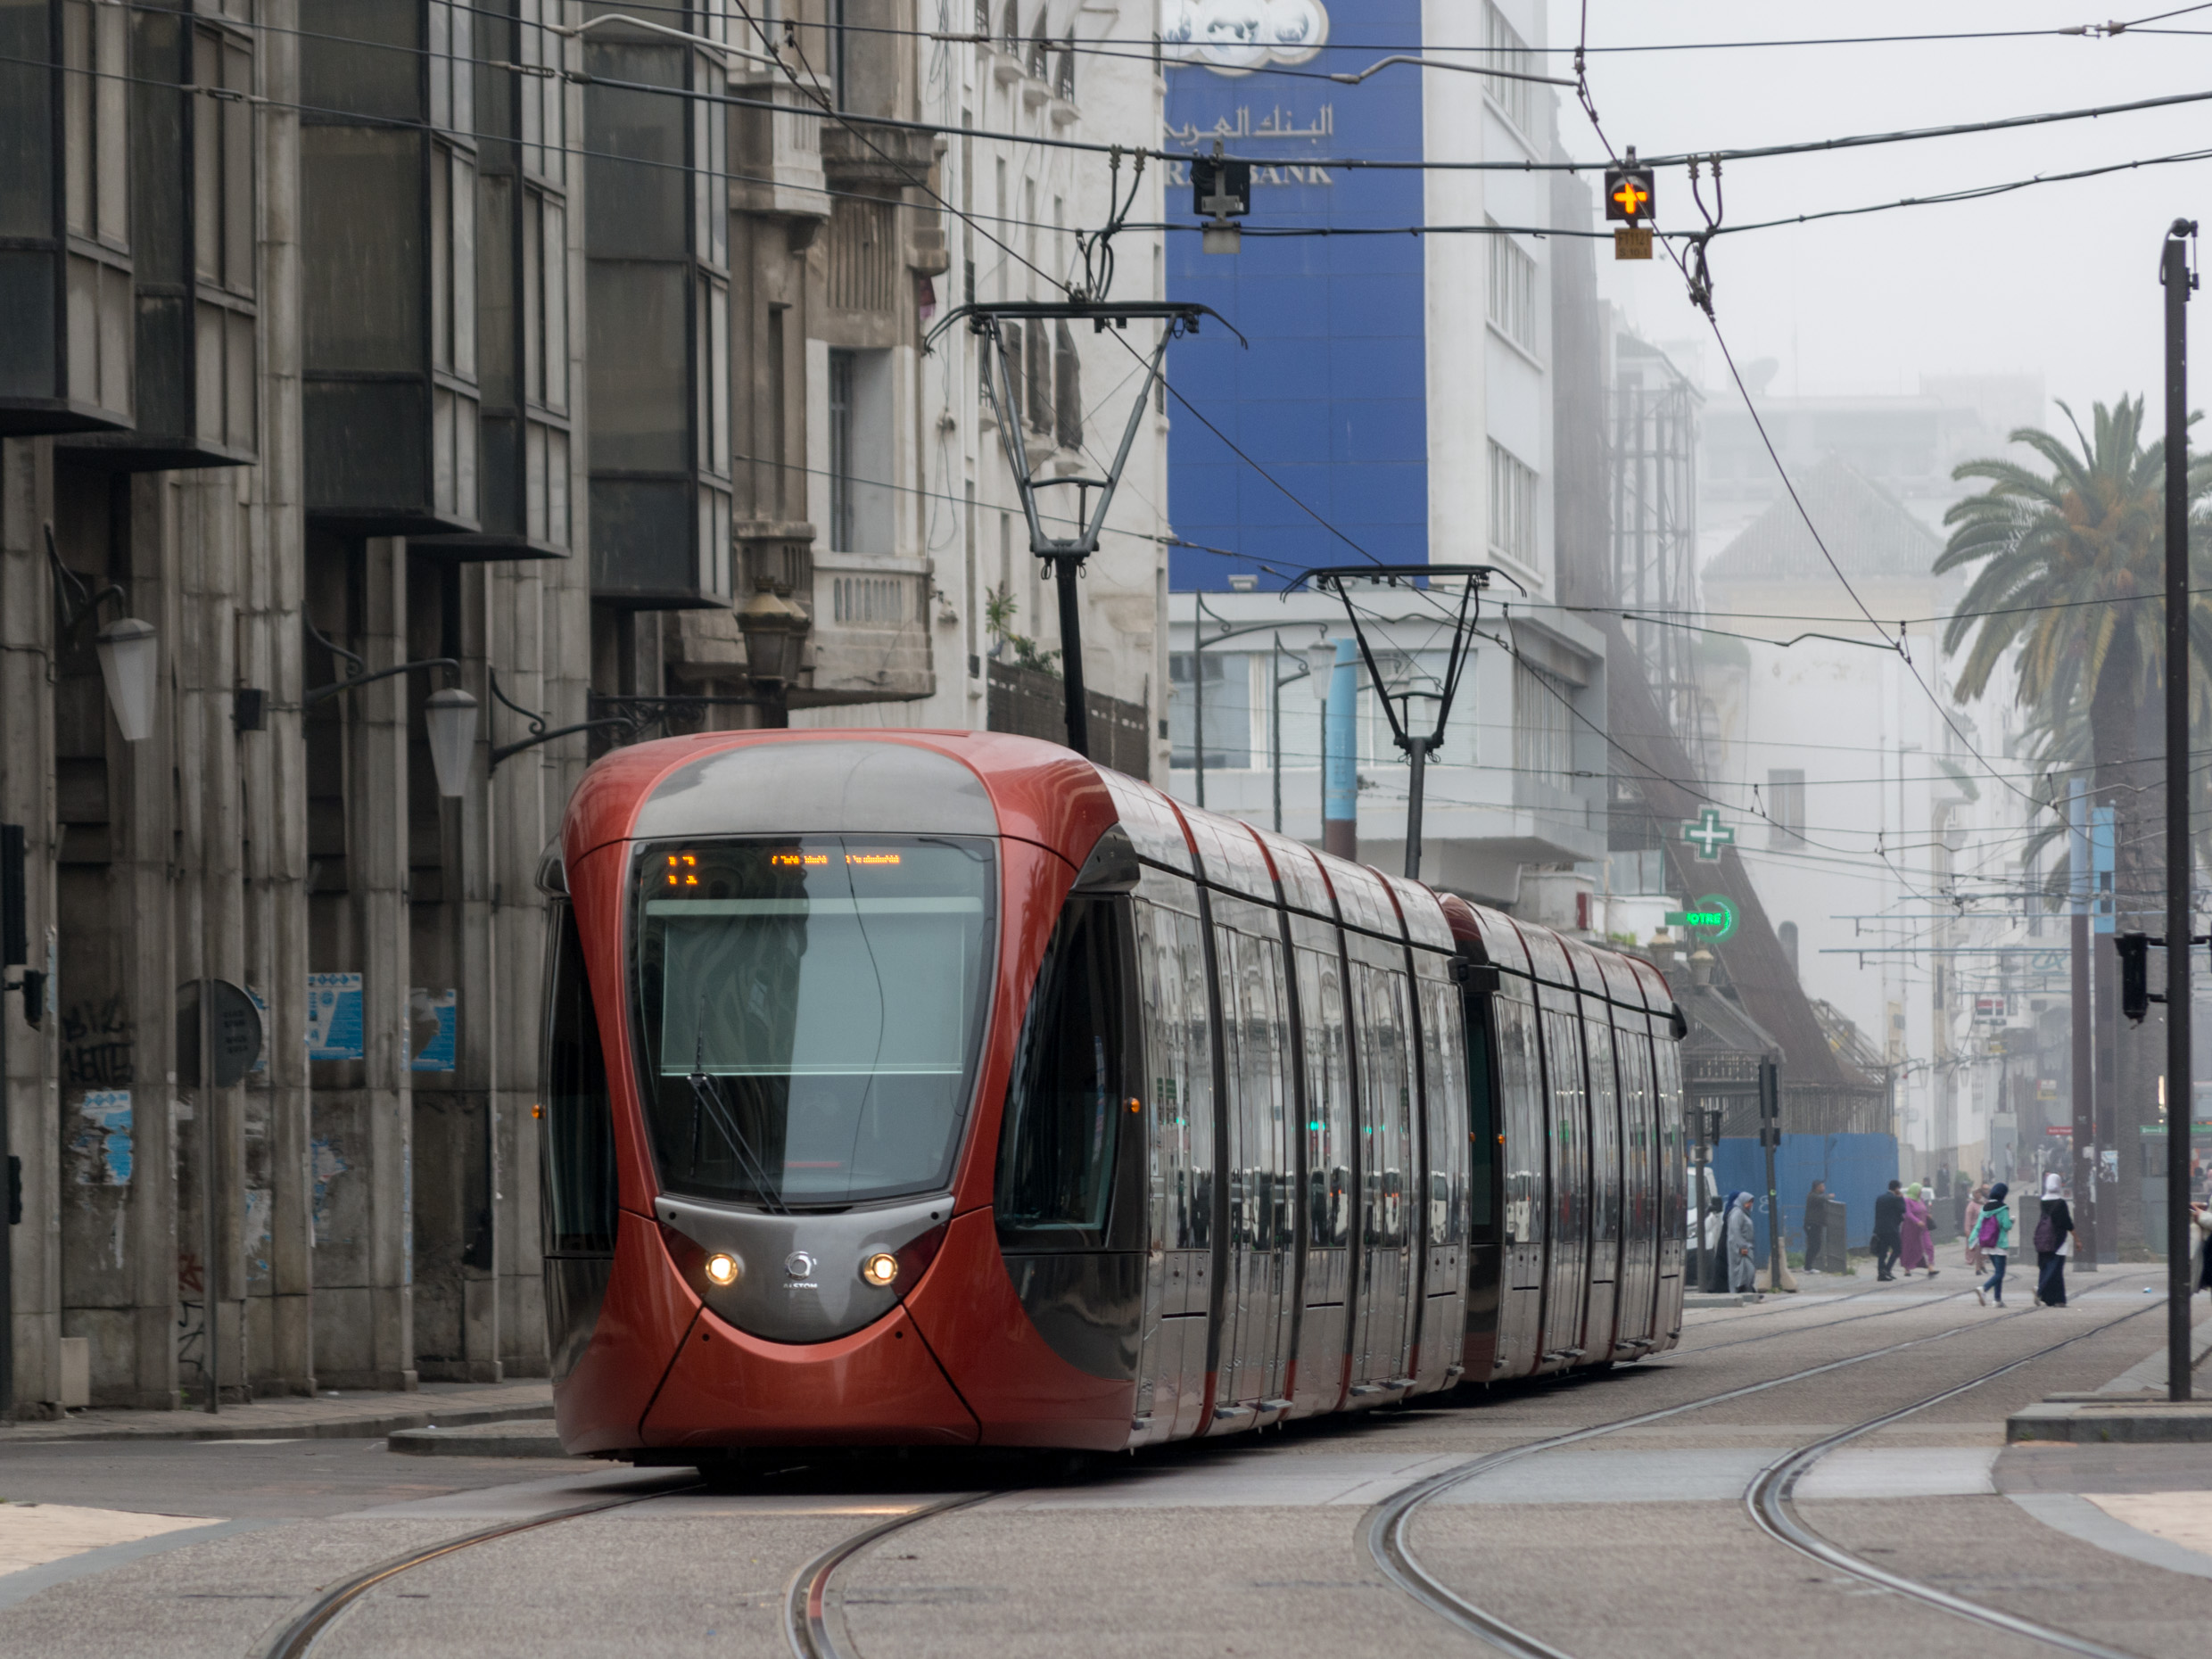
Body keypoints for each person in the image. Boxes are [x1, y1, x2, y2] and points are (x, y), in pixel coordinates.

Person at [2034, 1173, 2075, 1307]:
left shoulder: (2043, 1201)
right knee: (2056, 1270)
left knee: (2045, 1266)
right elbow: (2067, 1223)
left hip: (2044, 1239)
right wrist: (2077, 1238)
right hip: (2058, 1241)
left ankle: (2048, 1298)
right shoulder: (2061, 1203)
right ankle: (2053, 1296)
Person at [1974, 1181, 2013, 1306]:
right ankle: (1984, 1288)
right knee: (2000, 1273)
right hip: (2000, 1244)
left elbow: (1979, 1226)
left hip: (1988, 1244)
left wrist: (1972, 1241)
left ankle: (1997, 1299)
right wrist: (2011, 1221)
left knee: (1997, 1273)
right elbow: (2006, 1226)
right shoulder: (2003, 1208)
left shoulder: (1984, 1208)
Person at [1899, 1183, 1938, 1277]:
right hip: (1911, 1229)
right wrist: (1917, 1221)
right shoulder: (1907, 1200)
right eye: (1919, 1191)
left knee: (1929, 1246)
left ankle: (1931, 1266)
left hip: (1923, 1228)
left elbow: (1924, 1211)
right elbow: (1908, 1213)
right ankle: (1907, 1268)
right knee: (1910, 1248)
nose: (1920, 1193)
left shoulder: (1921, 1200)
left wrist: (1927, 1215)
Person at [1871, 1179, 1905, 1281]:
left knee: (1883, 1251)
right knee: (1898, 1250)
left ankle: (1881, 1274)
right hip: (1891, 1229)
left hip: (1880, 1229)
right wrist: (1901, 1198)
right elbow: (1903, 1209)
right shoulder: (1895, 1199)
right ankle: (1886, 1269)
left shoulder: (1880, 1198)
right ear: (1897, 1189)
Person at [1728, 1190, 1758, 1294]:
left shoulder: (1743, 1213)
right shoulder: (1737, 1213)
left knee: (1747, 1270)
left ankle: (1747, 1289)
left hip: (1746, 1247)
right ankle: (1741, 1290)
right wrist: (1742, 1246)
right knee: (1745, 1270)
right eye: (1748, 1202)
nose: (1750, 1204)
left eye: (1751, 1202)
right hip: (1740, 1249)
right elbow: (1735, 1230)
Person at [1803, 1180, 1828, 1273]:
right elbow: (1821, 1199)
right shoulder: (1812, 1196)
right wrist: (1829, 1196)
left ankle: (1808, 1266)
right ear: (1817, 1187)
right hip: (1811, 1224)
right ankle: (1807, 1267)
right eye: (1822, 1186)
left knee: (1817, 1245)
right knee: (1814, 1245)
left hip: (1817, 1224)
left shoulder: (1817, 1196)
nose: (1824, 1188)